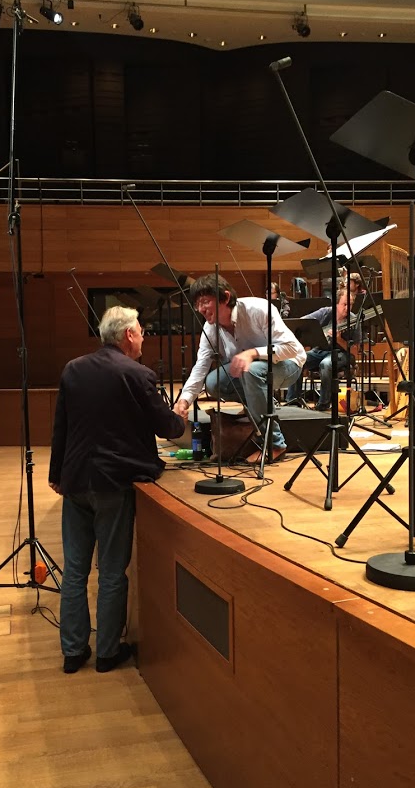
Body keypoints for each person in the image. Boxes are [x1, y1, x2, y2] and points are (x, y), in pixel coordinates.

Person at [49, 306, 185, 674]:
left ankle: (73, 652)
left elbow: (60, 425)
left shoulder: (73, 369)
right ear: (128, 335)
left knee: (74, 571)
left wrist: (56, 473)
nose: (143, 337)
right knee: (111, 572)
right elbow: (167, 428)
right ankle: (108, 652)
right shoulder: (138, 374)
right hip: (113, 483)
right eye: (140, 331)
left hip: (75, 480)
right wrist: (182, 414)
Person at [174, 274, 305, 463]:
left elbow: (292, 348)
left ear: (226, 298)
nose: (200, 309)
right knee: (213, 382)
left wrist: (253, 353)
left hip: (288, 365)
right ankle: (256, 407)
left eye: (205, 302)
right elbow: (201, 367)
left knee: (250, 370)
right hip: (253, 373)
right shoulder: (210, 328)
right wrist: (184, 401)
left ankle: (275, 444)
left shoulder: (259, 309)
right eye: (197, 303)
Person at [286, 286, 361, 411]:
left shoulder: (354, 320)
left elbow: (354, 352)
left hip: (342, 354)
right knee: (297, 360)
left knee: (326, 364)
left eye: (351, 305)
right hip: (319, 350)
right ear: (336, 304)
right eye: (344, 304)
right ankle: (293, 401)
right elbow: (302, 322)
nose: (348, 308)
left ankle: (323, 404)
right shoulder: (325, 312)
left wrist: (339, 340)